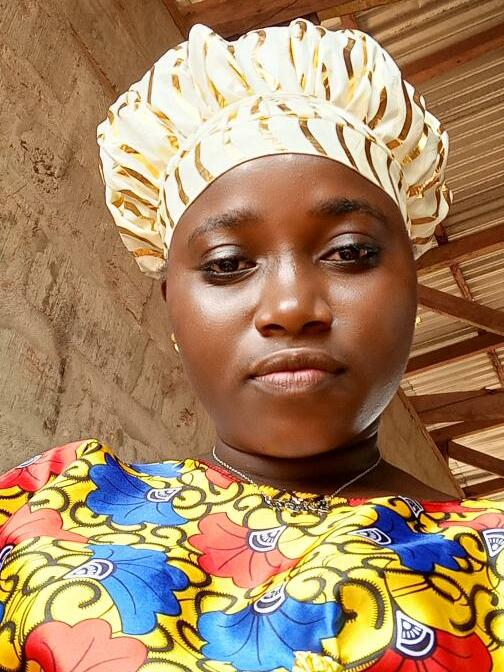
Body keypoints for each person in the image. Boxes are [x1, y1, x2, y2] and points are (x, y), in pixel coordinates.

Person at [0, 18, 502, 672]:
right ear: (173, 310)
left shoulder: (491, 558)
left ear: (412, 285)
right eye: (228, 264)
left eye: (349, 252)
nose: (291, 307)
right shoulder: (46, 512)